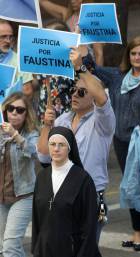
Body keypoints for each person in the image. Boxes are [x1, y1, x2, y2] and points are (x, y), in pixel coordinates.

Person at [90, 35, 140, 251]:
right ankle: (138, 230)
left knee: (133, 183)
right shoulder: (117, 75)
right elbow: (91, 68)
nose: (137, 57)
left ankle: (139, 232)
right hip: (121, 139)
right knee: (131, 182)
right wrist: (80, 42)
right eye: (133, 53)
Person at [36, 47, 116, 243]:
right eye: (73, 90)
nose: (74, 95)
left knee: (85, 250)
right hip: (61, 194)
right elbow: (44, 157)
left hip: (92, 197)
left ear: (93, 96)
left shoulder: (102, 121)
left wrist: (81, 68)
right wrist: (47, 126)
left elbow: (102, 98)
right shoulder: (63, 119)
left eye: (81, 92)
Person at [32, 126, 101, 257]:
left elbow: (90, 223)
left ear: (69, 148)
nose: (56, 149)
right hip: (45, 249)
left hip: (73, 250)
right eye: (52, 144)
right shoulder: (41, 177)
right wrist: (36, 249)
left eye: (61, 145)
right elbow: (36, 218)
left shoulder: (83, 179)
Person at [0, 92, 38, 256]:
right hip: (1, 197)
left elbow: (36, 152)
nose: (14, 113)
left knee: (11, 246)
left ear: (26, 114)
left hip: (23, 195)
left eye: (20, 110)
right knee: (4, 248)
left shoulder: (31, 133)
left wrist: (15, 136)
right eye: (11, 108)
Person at [39, 0, 104, 65]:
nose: (73, 1)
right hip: (65, 61)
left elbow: (98, 53)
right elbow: (42, 2)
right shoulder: (67, 14)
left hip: (84, 63)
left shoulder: (92, 19)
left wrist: (98, 74)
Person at [0, 20, 33, 94]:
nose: (8, 41)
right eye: (3, 36)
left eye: (10, 37)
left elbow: (28, 91)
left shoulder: (20, 61)